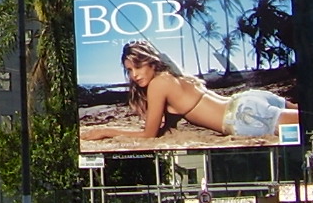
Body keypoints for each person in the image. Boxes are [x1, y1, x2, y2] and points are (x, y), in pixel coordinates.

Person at [81, 39, 298, 141]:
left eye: (138, 67)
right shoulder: (174, 78)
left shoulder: (158, 84)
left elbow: (148, 135)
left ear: (152, 63)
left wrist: (105, 131)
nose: (134, 75)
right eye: (129, 70)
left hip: (242, 117)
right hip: (246, 100)